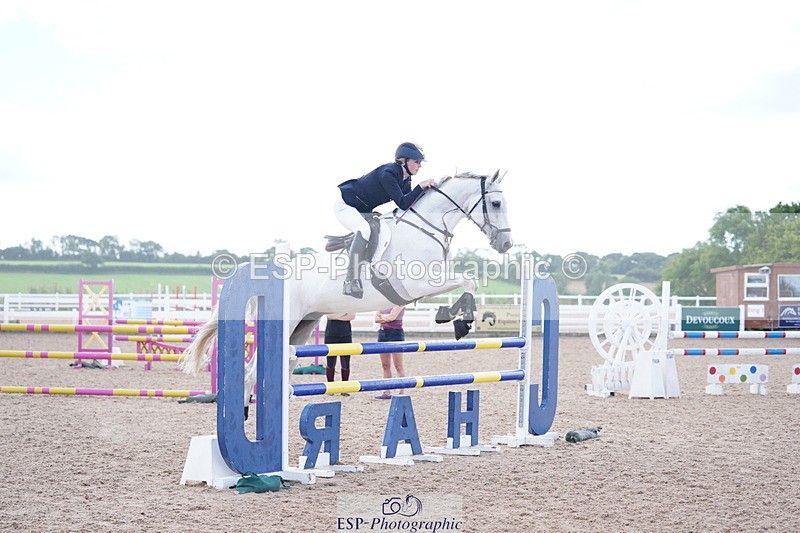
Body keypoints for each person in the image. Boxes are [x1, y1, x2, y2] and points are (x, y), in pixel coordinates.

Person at [335, 142, 436, 298]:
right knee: (364, 229)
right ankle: (350, 281)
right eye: (417, 161)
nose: (420, 165)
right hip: (346, 205)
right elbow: (403, 202)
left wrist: (428, 193)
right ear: (404, 160)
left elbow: (407, 206)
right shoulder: (388, 173)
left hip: (362, 210)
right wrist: (421, 187)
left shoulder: (405, 179)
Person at [373, 305, 406, 400]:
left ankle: (401, 391)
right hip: (383, 332)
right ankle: (387, 391)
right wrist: (386, 318)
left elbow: (392, 317)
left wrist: (382, 317)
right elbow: (376, 319)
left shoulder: (400, 303)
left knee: (398, 365)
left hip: (395, 333)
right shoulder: (383, 303)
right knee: (385, 365)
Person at [324, 312, 355, 396]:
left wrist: (337, 316)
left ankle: (344, 388)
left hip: (346, 334)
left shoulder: (349, 303)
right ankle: (331, 387)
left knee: (346, 362)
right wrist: (344, 314)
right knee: (331, 362)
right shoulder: (331, 304)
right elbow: (329, 315)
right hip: (331, 334)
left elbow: (352, 316)